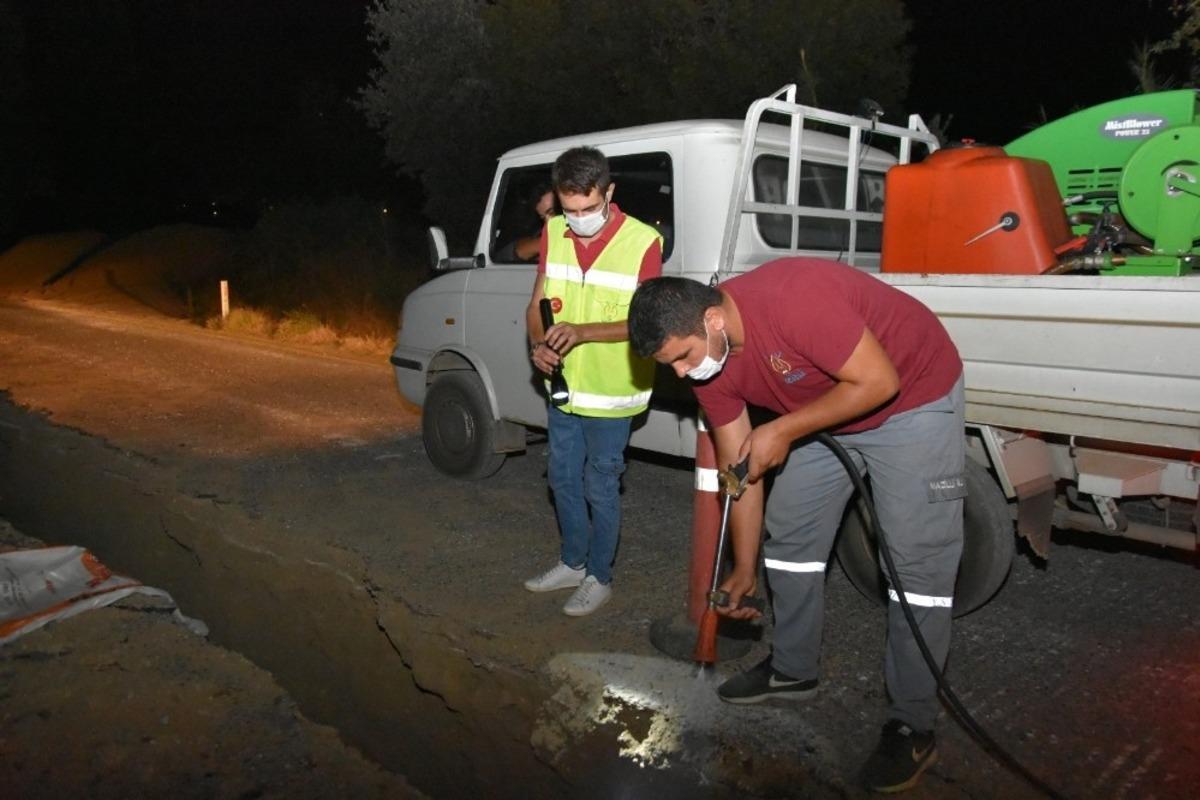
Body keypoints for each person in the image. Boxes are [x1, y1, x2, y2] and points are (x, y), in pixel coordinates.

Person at [627, 258, 965, 793]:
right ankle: (793, 667)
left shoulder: (794, 299)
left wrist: (782, 430)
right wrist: (743, 568)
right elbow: (741, 470)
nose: (682, 373)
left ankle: (912, 720)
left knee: (915, 564)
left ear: (714, 320)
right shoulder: (709, 368)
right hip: (827, 408)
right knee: (789, 536)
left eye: (683, 357)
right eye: (670, 365)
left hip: (909, 399)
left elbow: (878, 381)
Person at [522, 146, 663, 616]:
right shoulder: (553, 232)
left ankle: (599, 576)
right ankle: (572, 562)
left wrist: (583, 334)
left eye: (589, 207)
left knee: (599, 486)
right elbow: (538, 300)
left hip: (612, 392)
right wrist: (538, 345)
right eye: (569, 209)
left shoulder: (643, 242)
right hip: (563, 388)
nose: (578, 219)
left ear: (609, 192)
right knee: (562, 479)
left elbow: (647, 323)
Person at [495, 184, 556, 263]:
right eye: (543, 217)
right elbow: (507, 255)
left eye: (552, 212)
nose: (548, 221)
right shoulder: (540, 233)